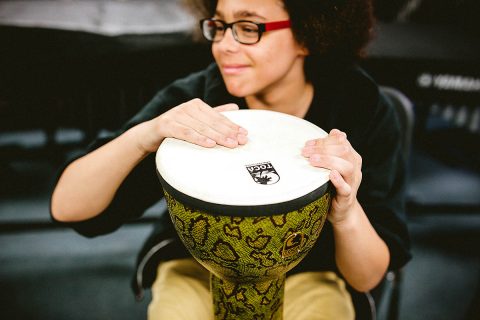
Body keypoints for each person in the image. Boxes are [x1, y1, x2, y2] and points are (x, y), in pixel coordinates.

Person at [50, 0, 411, 319]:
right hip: (195, 265)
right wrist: (146, 135)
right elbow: (70, 208)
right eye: (220, 26)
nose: (224, 45)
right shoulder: (196, 100)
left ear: (308, 34)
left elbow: (367, 277)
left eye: (248, 27)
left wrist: (347, 212)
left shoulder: (360, 106)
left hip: (313, 272)